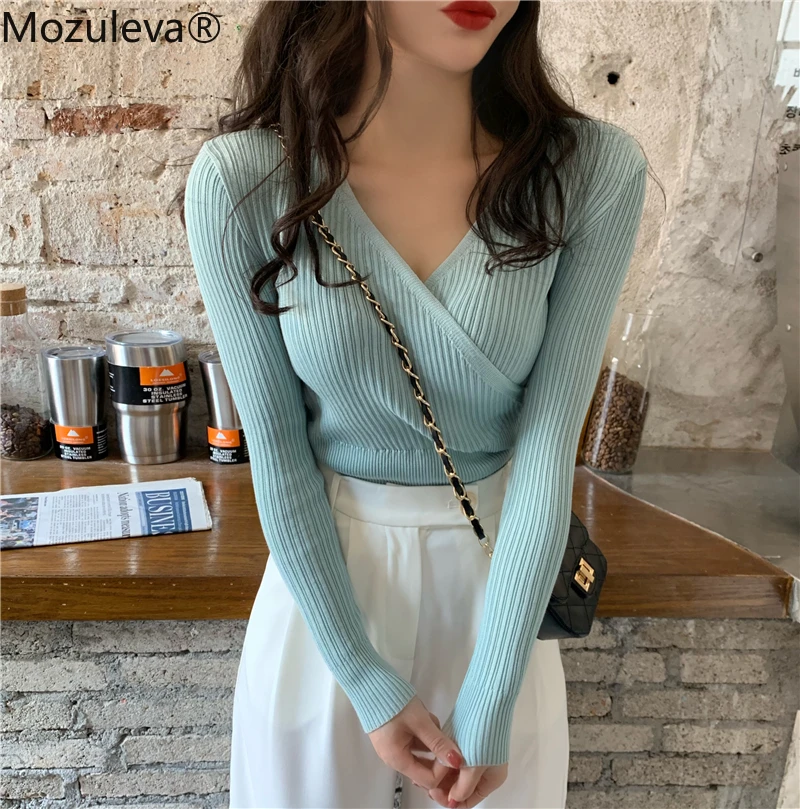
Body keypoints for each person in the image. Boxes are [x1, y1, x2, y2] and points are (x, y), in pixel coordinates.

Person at [175, 2, 650, 806]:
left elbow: (547, 450)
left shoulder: (588, 172)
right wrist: (363, 674)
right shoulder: (246, 181)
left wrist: (495, 689)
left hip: (502, 593)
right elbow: (280, 456)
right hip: (328, 601)